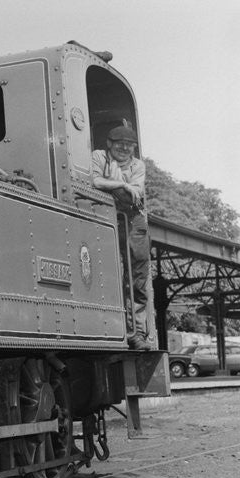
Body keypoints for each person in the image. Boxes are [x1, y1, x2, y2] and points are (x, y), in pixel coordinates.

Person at [91, 124, 152, 348]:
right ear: (109, 144)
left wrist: (117, 187)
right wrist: (121, 184)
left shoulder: (138, 165)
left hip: (133, 220)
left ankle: (137, 333)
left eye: (129, 146)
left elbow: (134, 196)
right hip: (106, 216)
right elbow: (95, 181)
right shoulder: (98, 156)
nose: (125, 149)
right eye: (120, 145)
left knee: (136, 278)